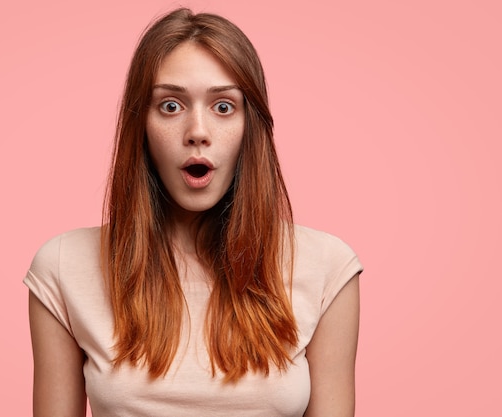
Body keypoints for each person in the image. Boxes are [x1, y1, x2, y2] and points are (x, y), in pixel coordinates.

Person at [25, 8, 362, 417]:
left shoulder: (327, 267)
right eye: (170, 106)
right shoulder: (63, 267)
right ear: (141, 125)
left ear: (249, 126)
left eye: (223, 107)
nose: (197, 131)